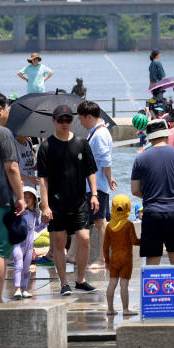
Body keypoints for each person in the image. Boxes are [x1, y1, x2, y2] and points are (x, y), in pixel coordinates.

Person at [36, 104, 98, 295]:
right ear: (53, 121)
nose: (65, 123)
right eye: (60, 120)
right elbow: (43, 179)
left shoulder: (82, 142)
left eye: (68, 120)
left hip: (79, 201)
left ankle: (81, 280)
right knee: (59, 243)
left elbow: (91, 171)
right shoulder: (46, 147)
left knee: (84, 239)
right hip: (56, 203)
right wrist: (45, 206)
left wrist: (94, 194)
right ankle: (64, 283)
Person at [131, 120, 174, 267]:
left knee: (152, 259)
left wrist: (151, 195)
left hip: (152, 212)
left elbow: (135, 190)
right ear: (166, 136)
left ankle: (151, 290)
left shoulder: (140, 158)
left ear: (149, 138)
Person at [77, 101, 114, 267]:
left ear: (89, 117)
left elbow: (105, 159)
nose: (80, 123)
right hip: (95, 184)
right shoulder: (96, 132)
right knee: (98, 221)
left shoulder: (99, 135)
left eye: (81, 119)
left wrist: (109, 177)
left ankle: (103, 257)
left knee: (100, 222)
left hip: (96, 186)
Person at [102, 194, 140, 315]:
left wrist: (107, 261)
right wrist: (144, 240)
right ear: (128, 208)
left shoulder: (109, 226)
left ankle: (110, 309)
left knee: (112, 284)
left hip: (114, 259)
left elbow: (105, 246)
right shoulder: (128, 225)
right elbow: (134, 241)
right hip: (126, 259)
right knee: (124, 285)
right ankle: (125, 309)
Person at [11, 186, 45, 300]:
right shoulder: (16, 212)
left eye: (30, 197)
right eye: (24, 195)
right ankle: (17, 289)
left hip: (29, 247)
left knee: (26, 268)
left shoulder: (34, 214)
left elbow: (36, 229)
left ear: (34, 200)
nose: (26, 198)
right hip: (17, 244)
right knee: (18, 266)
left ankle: (24, 289)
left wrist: (45, 223)